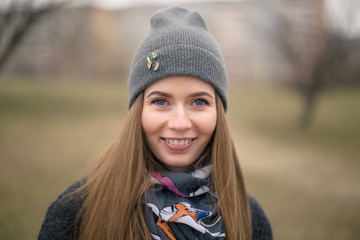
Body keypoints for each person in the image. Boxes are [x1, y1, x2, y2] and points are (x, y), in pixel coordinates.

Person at [38, 6, 272, 240]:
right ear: (138, 110)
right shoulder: (75, 212)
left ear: (218, 112)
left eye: (199, 102)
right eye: (161, 101)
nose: (180, 123)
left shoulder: (251, 220)